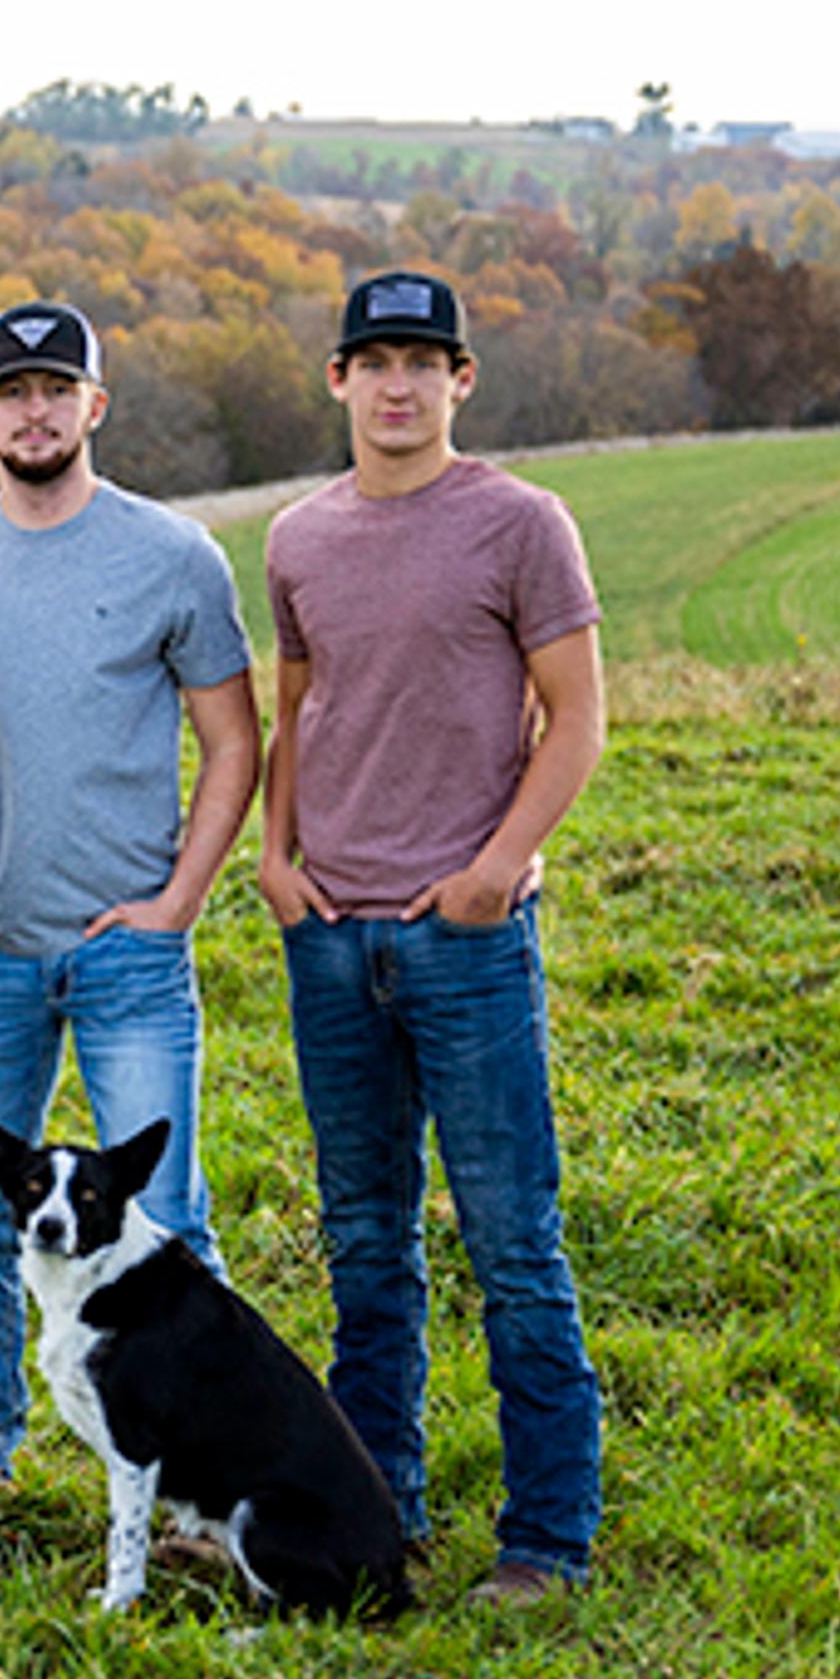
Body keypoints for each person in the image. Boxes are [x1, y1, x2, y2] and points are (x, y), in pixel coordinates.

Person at [260, 268, 610, 1608]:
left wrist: (496, 868)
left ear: (462, 380)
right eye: (374, 360)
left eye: (424, 360)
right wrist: (279, 862)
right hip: (331, 938)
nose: (397, 384)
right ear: (338, 379)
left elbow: (574, 716)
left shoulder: (521, 523)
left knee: (513, 1240)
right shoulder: (299, 536)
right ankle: (381, 1513)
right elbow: (299, 705)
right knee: (365, 1244)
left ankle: (545, 1541)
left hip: (465, 938)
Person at [0, 300, 261, 1503]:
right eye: (15, 390)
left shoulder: (175, 557)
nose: (36, 410)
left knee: (175, 1222)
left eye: (61, 389)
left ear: (95, 405)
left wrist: (179, 901)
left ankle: (198, 1481)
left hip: (131, 952)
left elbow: (233, 744)